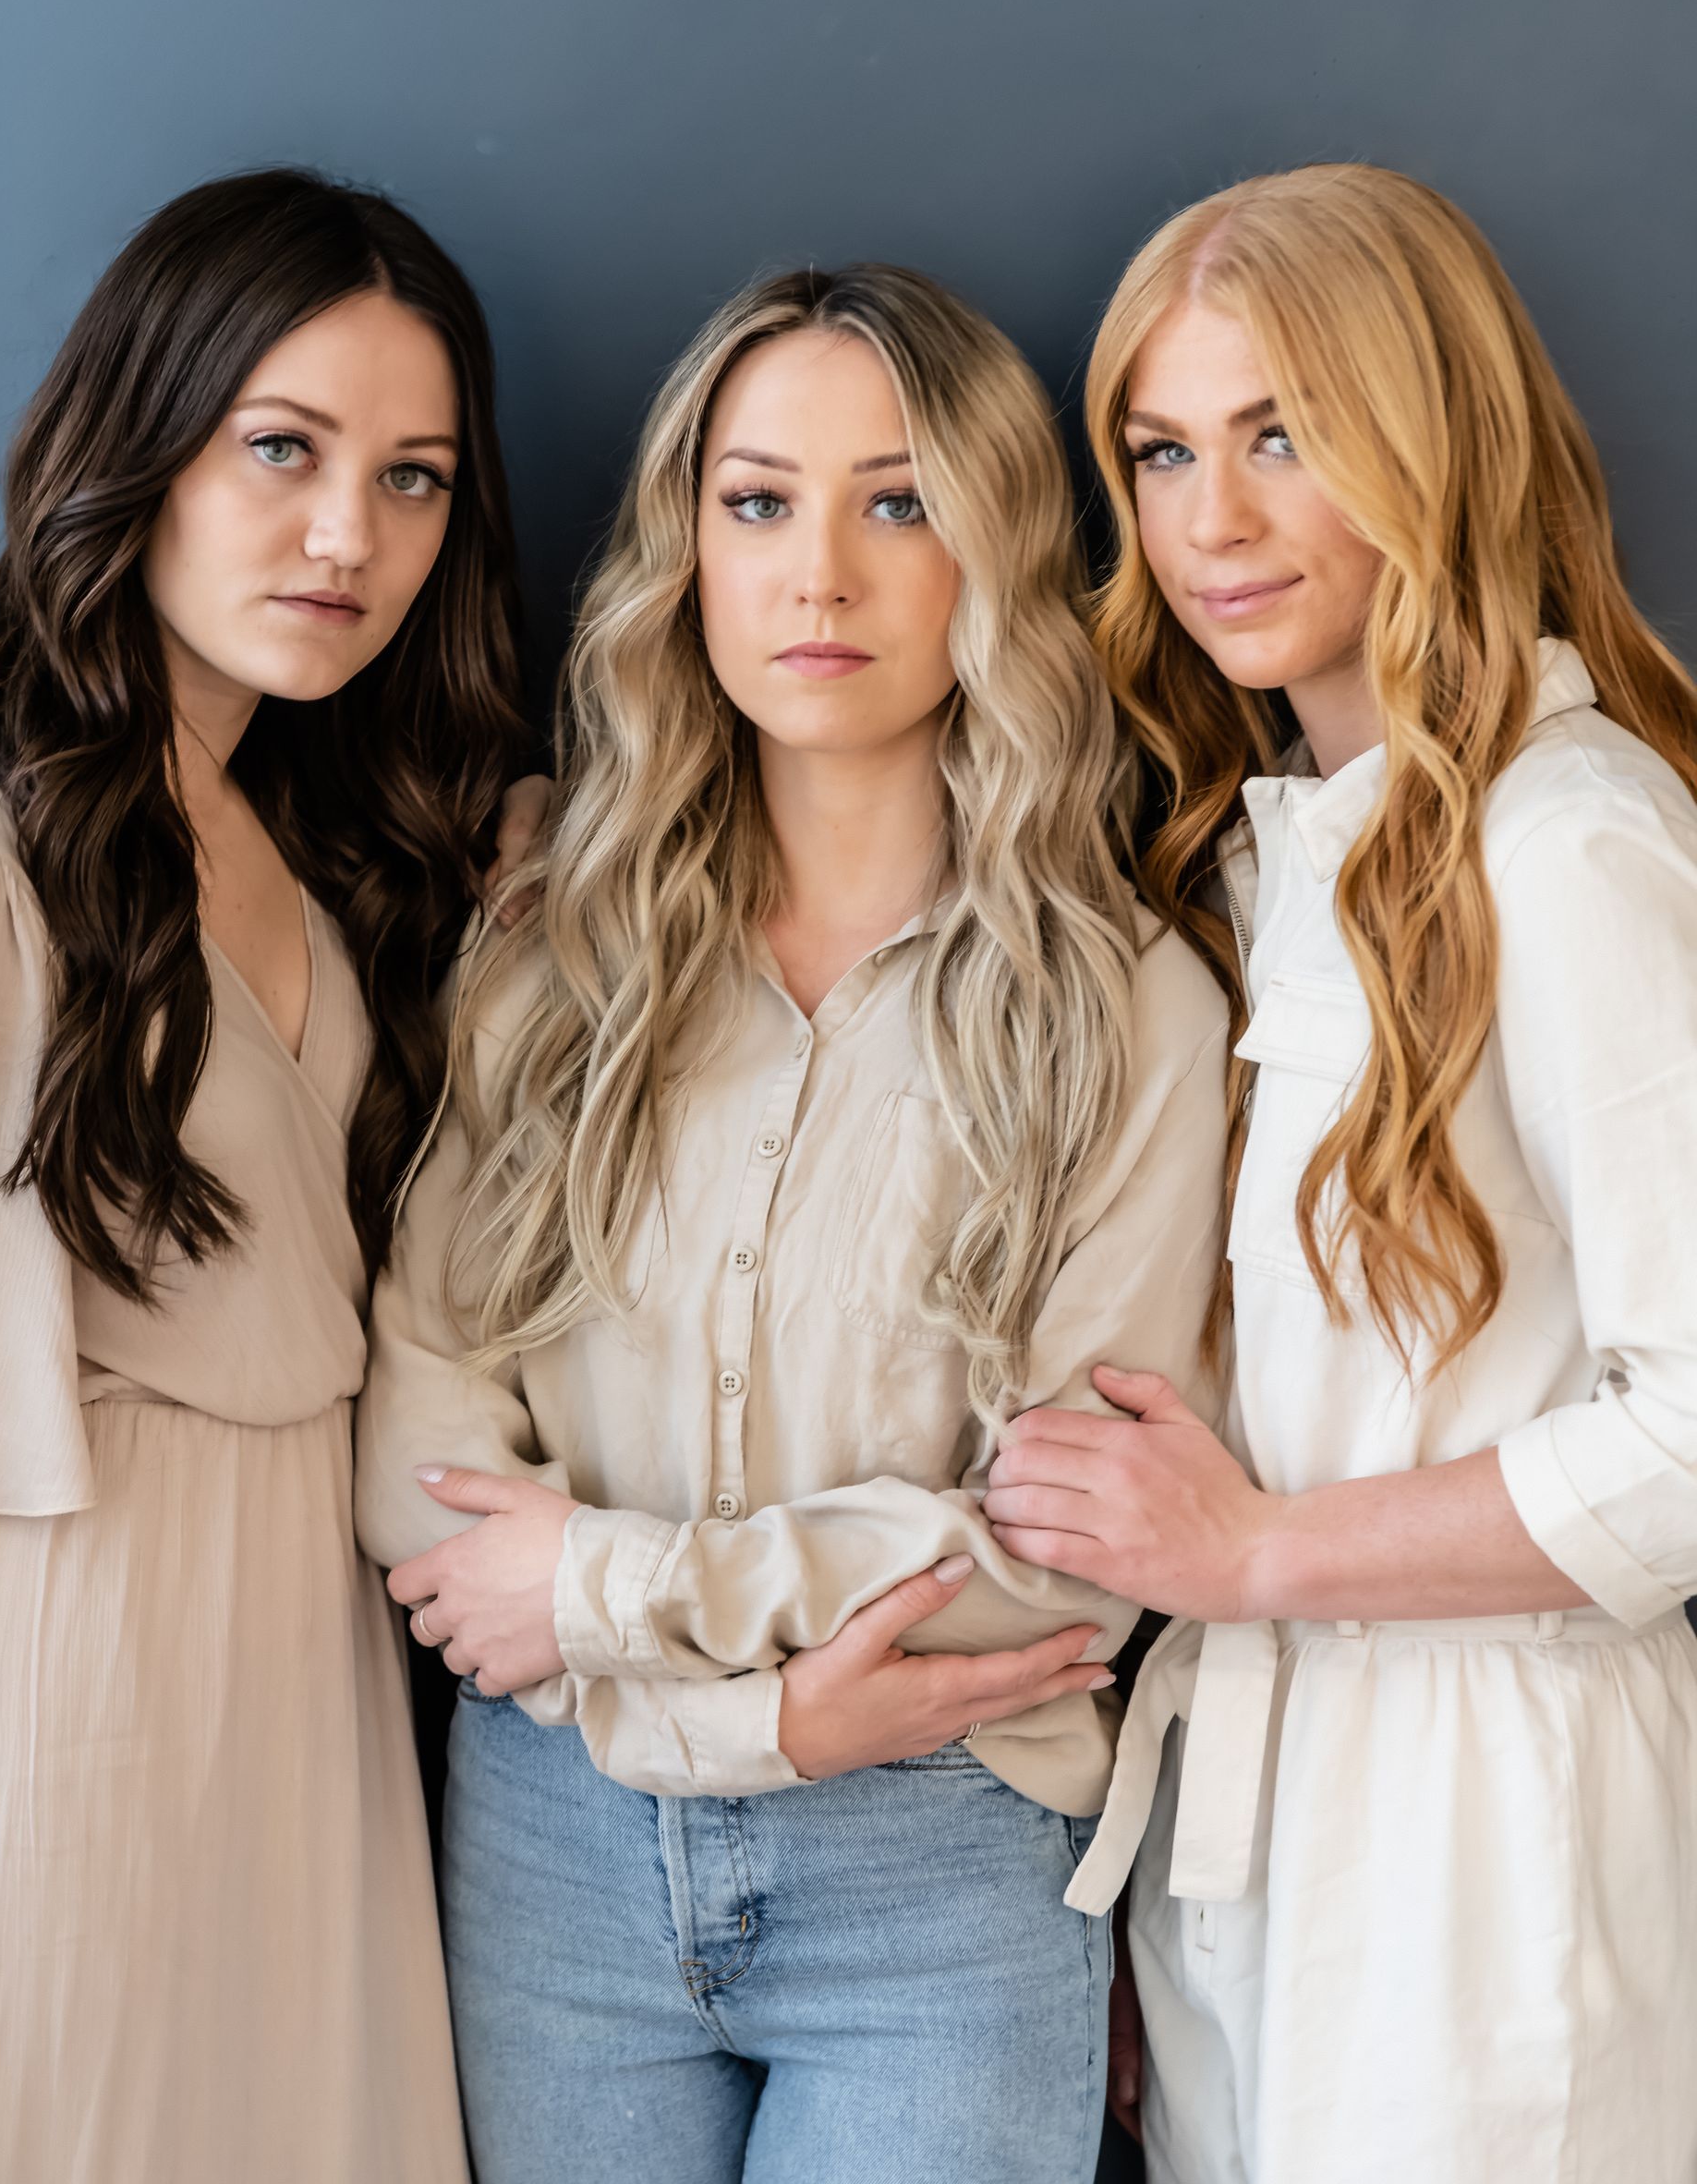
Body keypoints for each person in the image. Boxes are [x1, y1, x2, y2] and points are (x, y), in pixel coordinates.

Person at [354, 262, 1229, 2184]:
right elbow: (417, 1446)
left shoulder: (1131, 1006)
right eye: (758, 502)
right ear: (689, 550)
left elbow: (1059, 1561)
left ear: (992, 548)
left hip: (936, 1856)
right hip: (549, 1857)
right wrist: (732, 1702)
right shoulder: (544, 952)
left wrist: (604, 1591)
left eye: (895, 501)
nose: (816, 573)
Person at [982, 163, 1697, 2182]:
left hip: (1497, 1825)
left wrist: (1256, 1560)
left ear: (1431, 433)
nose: (1210, 522)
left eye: (1283, 437)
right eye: (1164, 448)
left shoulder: (1571, 845)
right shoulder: (1258, 857)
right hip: (1258, 1813)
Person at [0, 169, 526, 2182]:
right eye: (284, 448)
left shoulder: (309, 853)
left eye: (417, 476)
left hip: (299, 1679)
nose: (352, 534)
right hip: (53, 1676)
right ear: (140, 444)